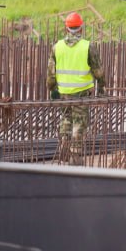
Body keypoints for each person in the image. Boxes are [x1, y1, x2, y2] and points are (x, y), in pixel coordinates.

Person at [46, 12, 105, 165]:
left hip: (64, 93)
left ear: (66, 28)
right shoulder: (87, 46)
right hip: (81, 93)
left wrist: (52, 89)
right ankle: (75, 156)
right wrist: (102, 87)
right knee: (79, 122)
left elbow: (51, 73)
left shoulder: (57, 47)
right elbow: (98, 71)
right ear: (81, 28)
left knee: (66, 120)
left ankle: (64, 150)